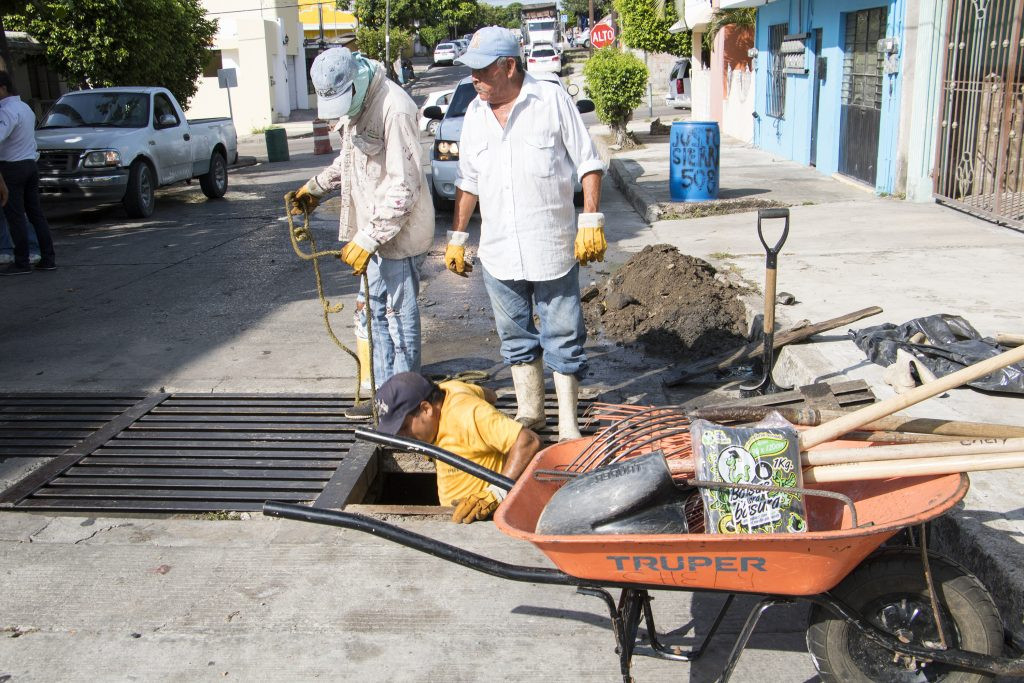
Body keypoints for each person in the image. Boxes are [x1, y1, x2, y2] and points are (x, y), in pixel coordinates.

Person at [444, 27, 607, 441]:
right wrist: (457, 237)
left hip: (551, 246)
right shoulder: (476, 116)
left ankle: (568, 423)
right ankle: (531, 413)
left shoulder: (550, 100)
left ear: (509, 66)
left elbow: (588, 163)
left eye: (481, 71)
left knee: (564, 336)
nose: (474, 80)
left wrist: (590, 219)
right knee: (515, 337)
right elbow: (467, 182)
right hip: (499, 253)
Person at [287, 48, 434, 417]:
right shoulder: (355, 108)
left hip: (397, 234)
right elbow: (350, 159)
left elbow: (406, 185)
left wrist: (369, 238)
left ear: (356, 82)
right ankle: (385, 399)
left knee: (398, 317)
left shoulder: (393, 107)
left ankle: (407, 406)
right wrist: (316, 189)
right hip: (372, 233)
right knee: (374, 314)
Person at [374, 372, 542, 523]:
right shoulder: (449, 389)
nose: (401, 437)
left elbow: (528, 441)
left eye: (403, 427)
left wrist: (497, 492)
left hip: (484, 520)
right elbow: (490, 395)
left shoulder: (468, 414)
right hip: (456, 514)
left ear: (426, 409)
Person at [0, 71, 56, 275]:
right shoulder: (25, 108)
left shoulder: (5, 111)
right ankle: (48, 258)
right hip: (30, 164)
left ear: (3, 88)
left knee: (15, 216)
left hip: (12, 167)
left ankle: (22, 261)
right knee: (35, 214)